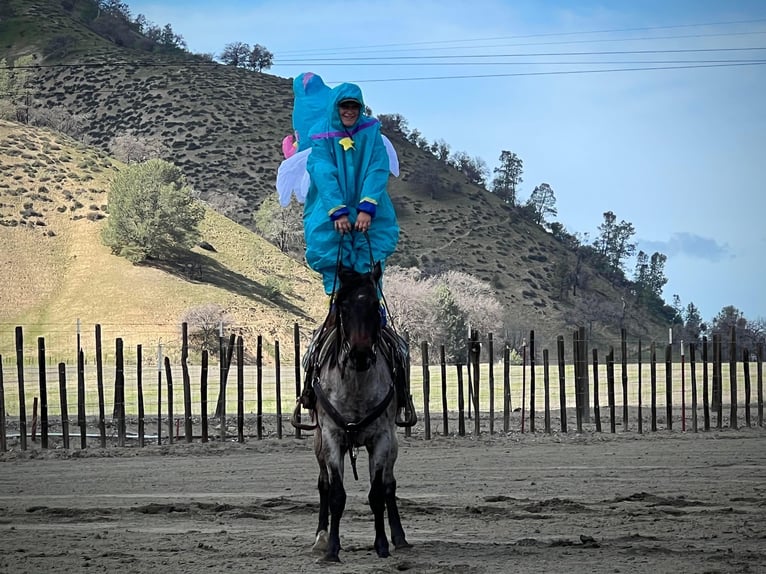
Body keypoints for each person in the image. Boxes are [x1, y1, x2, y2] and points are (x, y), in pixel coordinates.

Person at [286, 77, 415, 427]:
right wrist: (339, 211)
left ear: (360, 109)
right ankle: (310, 394)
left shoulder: (372, 135)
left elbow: (376, 169)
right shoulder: (322, 137)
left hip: (369, 221)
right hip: (334, 222)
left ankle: (402, 396)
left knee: (382, 322)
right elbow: (323, 171)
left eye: (354, 107)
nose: (348, 112)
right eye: (344, 106)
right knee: (335, 313)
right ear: (336, 109)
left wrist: (367, 208)